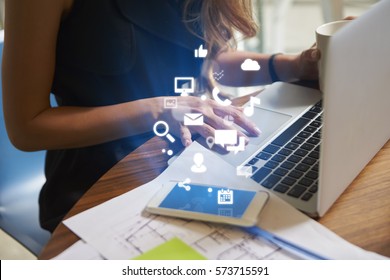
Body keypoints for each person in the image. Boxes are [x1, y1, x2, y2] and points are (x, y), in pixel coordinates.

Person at [2, 0, 319, 232]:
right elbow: (28, 128)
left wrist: (290, 66)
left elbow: (210, 61)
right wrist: (160, 109)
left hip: (189, 160)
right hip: (96, 183)